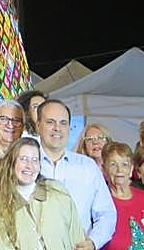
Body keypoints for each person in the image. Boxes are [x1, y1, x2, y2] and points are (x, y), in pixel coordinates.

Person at [35, 99, 117, 250]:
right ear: (38, 126)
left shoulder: (87, 167)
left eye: (63, 123)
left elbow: (107, 213)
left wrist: (93, 242)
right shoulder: (26, 165)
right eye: (50, 122)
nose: (57, 128)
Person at [0, 137, 86, 250]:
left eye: (34, 160)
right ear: (11, 163)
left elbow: (77, 238)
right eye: (23, 159)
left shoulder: (59, 192)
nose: (29, 166)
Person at [101, 142, 144, 250]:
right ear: (104, 169)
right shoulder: (100, 201)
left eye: (124, 164)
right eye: (113, 164)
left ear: (131, 168)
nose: (119, 170)